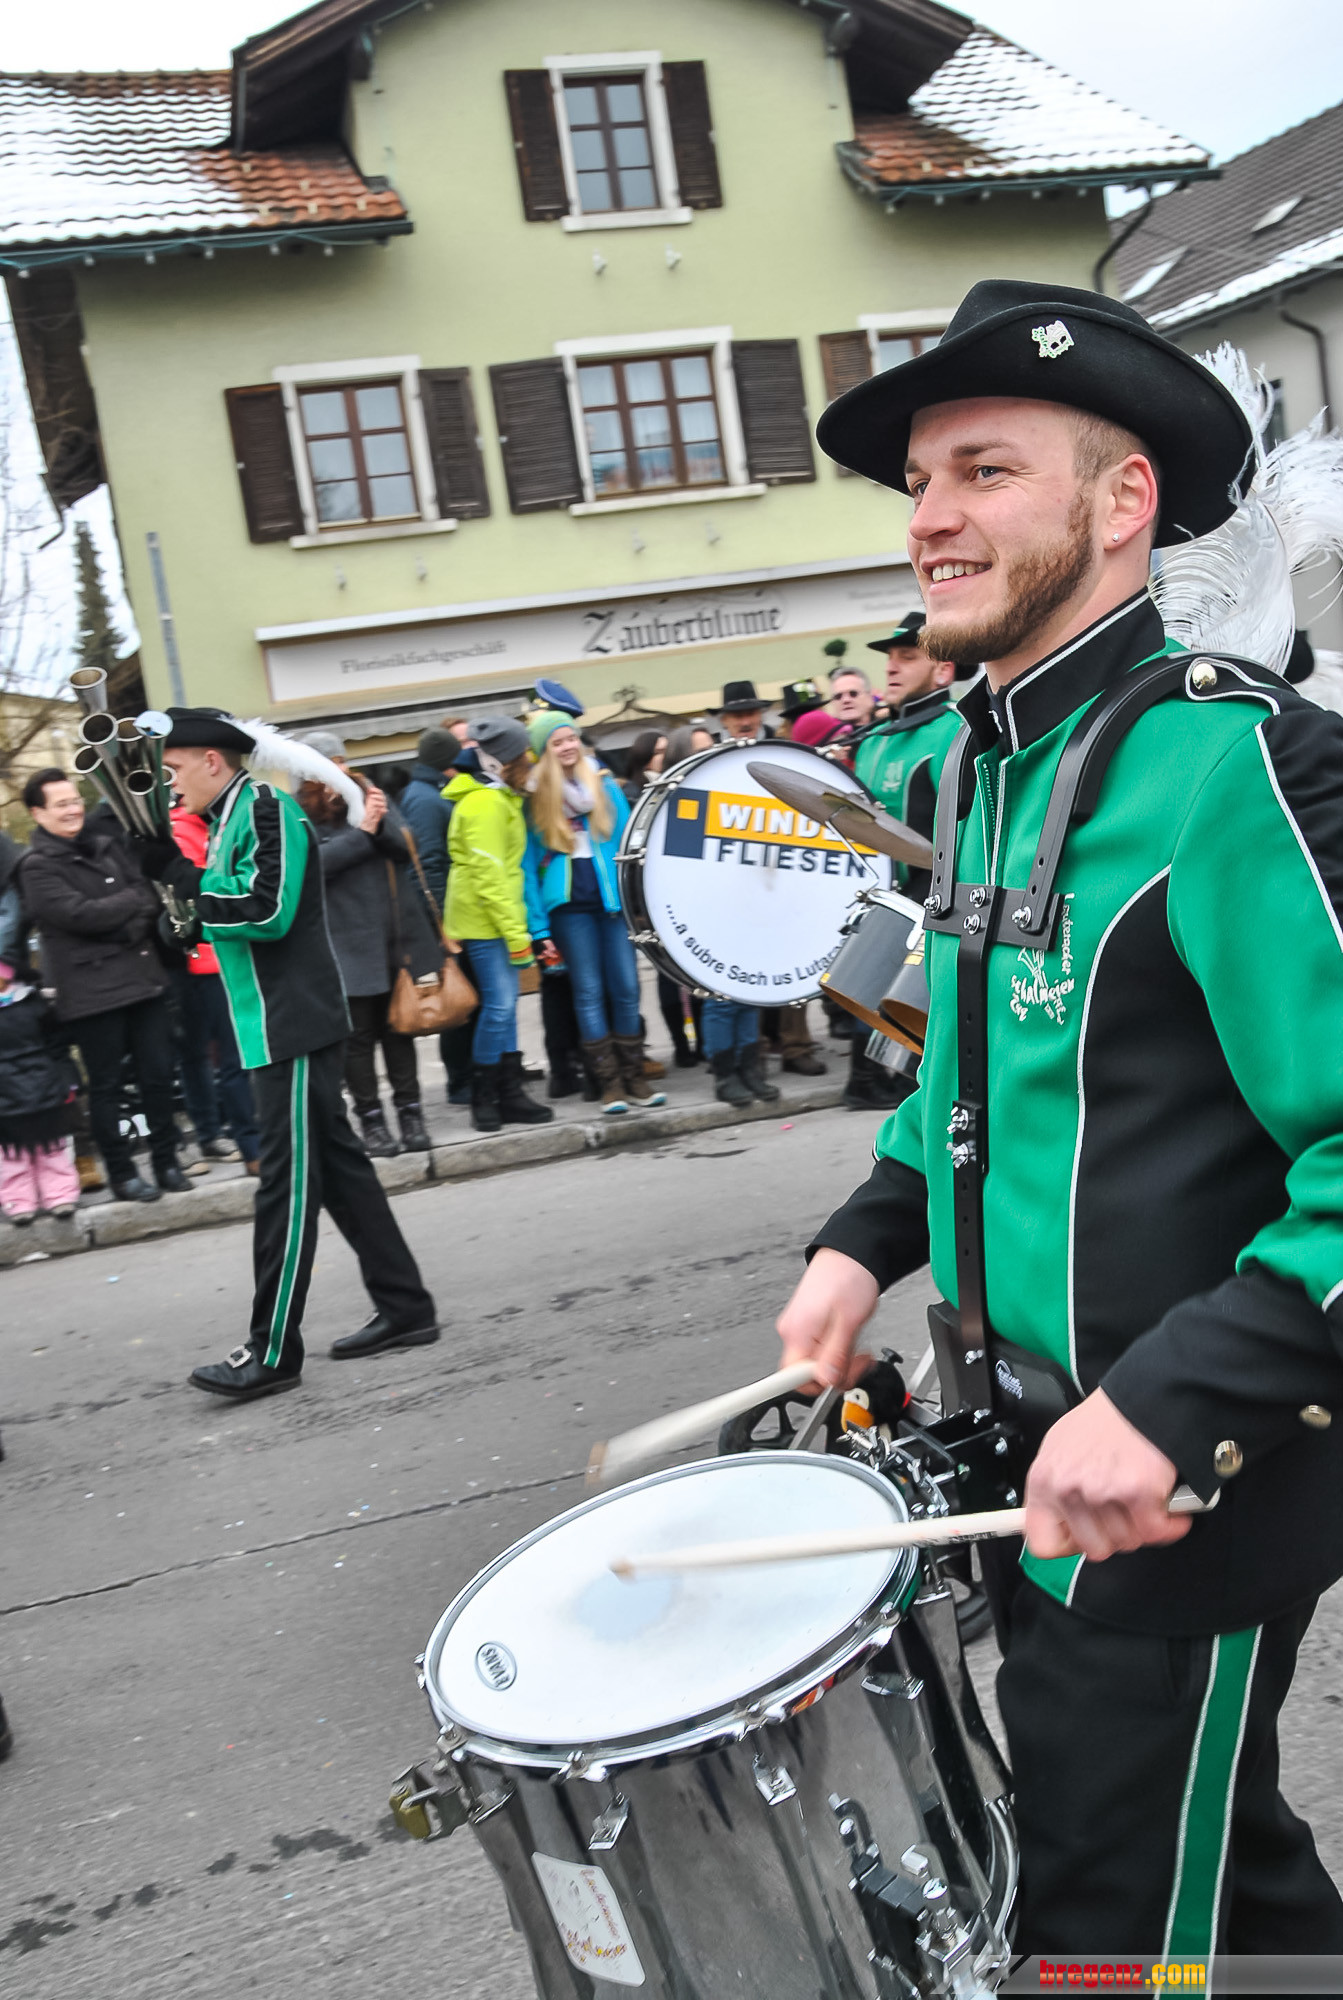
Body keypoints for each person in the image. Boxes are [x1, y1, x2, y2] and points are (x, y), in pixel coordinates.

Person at [777, 277, 1343, 1956]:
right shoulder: (975, 765)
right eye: (918, 483)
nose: (927, 518)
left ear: (1119, 505)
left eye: (983, 471)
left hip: (1176, 1488)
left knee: (1114, 1934)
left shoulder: (1238, 768)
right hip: (1020, 1465)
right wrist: (859, 1240)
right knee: (1204, 1890)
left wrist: (1171, 1401)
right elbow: (969, 1072)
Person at [136, 708, 439, 1391]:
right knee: (339, 1172)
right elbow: (226, 911)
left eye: (175, 767)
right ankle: (406, 1307)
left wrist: (184, 881)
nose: (170, 782)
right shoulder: (230, 819)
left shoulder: (267, 809)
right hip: (271, 1024)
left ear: (212, 760)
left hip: (291, 1024)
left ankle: (272, 1351)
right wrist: (178, 919)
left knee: (287, 1186)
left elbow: (268, 911)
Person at [18, 768, 188, 1203]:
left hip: (143, 981)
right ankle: (122, 1173)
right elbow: (77, 916)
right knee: (107, 1085)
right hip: (92, 995)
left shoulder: (107, 844)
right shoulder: (36, 867)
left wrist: (120, 917)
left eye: (75, 800)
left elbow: (147, 897)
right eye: (61, 804)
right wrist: (126, 910)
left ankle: (167, 1162)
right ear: (38, 813)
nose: (73, 810)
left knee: (157, 1075)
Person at [297, 733, 436, 1158]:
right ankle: (372, 1121)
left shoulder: (366, 794)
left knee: (399, 1030)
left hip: (391, 937)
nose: (338, 770)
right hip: (343, 944)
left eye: (340, 760)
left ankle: (411, 1115)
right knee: (357, 1043)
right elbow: (313, 867)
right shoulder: (296, 812)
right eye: (327, 763)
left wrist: (373, 815)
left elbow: (404, 849)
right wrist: (363, 832)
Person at [524, 712, 664, 1115]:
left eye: (571, 738)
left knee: (627, 987)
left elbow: (628, 844)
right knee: (588, 992)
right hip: (568, 907)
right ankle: (610, 1084)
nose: (567, 747)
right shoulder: (535, 797)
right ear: (545, 751)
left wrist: (639, 900)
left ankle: (635, 1077)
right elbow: (527, 866)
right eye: (557, 742)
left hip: (611, 903)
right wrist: (538, 927)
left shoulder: (603, 784)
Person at [444, 716, 554, 1135]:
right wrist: (516, 934)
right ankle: (485, 1096)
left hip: (492, 918)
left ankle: (508, 1093)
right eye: (523, 755)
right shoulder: (486, 804)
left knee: (503, 1008)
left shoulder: (497, 798)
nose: (530, 761)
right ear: (501, 761)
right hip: (484, 921)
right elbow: (490, 878)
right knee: (500, 1006)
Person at [167, 799, 260, 1174]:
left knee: (234, 1055)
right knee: (226, 1057)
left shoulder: (217, 823)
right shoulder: (180, 830)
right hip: (206, 961)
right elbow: (199, 896)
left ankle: (243, 1134)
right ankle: (248, 1143)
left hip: (230, 954)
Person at [0, 955, 80, 1224]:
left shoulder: (35, 1004)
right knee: (12, 1154)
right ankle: (18, 1200)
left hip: (44, 1082)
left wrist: (68, 1078)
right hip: (5, 1092)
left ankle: (60, 1195)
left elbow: (57, 1045)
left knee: (51, 1147)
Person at [826, 662, 877, 731]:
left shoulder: (887, 730)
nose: (845, 700)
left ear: (869, 697)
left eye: (853, 694)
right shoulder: (826, 735)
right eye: (838, 696)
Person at [621, 730, 667, 805]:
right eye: (659, 752)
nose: (666, 755)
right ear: (644, 755)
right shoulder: (632, 794)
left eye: (668, 750)